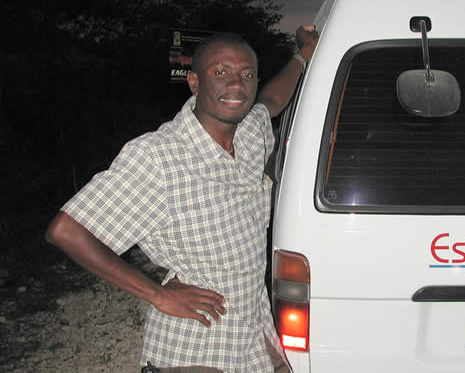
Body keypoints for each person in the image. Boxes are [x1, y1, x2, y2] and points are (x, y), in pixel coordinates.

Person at [45, 26, 319, 372]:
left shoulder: (249, 132)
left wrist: (303, 54)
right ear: (194, 83)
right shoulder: (158, 157)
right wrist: (159, 295)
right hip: (197, 346)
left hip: (252, 333)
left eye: (246, 74)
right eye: (220, 73)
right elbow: (67, 231)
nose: (236, 84)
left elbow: (273, 100)